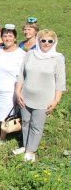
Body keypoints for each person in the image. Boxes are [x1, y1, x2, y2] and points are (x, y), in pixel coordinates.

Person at [14, 29, 66, 162]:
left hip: (44, 99)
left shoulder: (57, 58)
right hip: (26, 96)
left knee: (36, 126)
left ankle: (31, 151)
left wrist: (56, 100)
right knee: (25, 122)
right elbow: (21, 74)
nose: (46, 43)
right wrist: (18, 92)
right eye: (43, 40)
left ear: (54, 42)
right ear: (38, 40)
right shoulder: (31, 54)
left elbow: (60, 82)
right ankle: (26, 146)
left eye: (50, 41)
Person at [0, 24, 26, 145]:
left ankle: (2, 138)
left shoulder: (21, 54)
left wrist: (18, 92)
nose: (7, 38)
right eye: (5, 35)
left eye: (10, 35)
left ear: (15, 38)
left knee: (5, 116)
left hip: (10, 92)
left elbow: (24, 76)